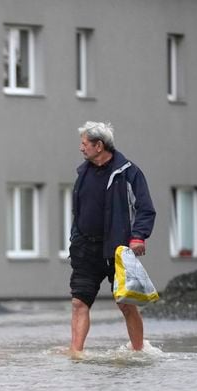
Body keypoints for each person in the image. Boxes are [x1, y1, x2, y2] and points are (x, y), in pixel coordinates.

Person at [69, 121, 156, 354]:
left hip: (117, 249)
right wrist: (75, 240)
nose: (81, 148)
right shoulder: (83, 173)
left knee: (125, 304)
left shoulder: (128, 172)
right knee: (79, 302)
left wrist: (138, 236)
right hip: (86, 248)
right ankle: (76, 353)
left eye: (84, 143)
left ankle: (139, 351)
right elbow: (78, 211)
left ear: (99, 146)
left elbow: (145, 208)